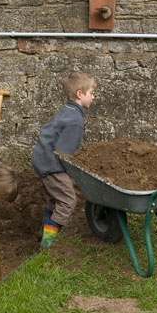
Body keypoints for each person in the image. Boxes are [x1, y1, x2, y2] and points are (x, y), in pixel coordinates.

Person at [31, 71, 96, 247]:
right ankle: (48, 244)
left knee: (55, 199)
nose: (93, 97)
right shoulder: (75, 120)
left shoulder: (66, 110)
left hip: (43, 159)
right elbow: (65, 153)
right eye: (91, 93)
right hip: (51, 164)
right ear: (79, 94)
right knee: (68, 201)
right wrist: (76, 175)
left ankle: (43, 233)